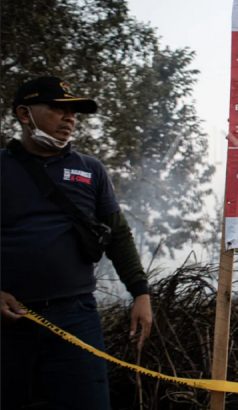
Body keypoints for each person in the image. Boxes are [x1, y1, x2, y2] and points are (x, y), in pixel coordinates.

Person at [1, 77, 153, 409]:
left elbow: (118, 235)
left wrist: (140, 292)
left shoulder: (90, 170)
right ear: (25, 114)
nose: (70, 118)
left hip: (76, 316)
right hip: (8, 321)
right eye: (58, 108)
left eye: (73, 112)